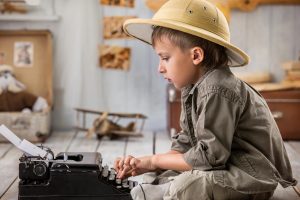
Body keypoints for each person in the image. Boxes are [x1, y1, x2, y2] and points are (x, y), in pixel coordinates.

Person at [114, 0, 297, 199]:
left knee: (190, 184)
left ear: (196, 55)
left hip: (250, 176)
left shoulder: (217, 89)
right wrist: (145, 163)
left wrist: (155, 160)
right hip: (224, 165)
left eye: (165, 58)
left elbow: (210, 158)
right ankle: (162, 188)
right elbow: (186, 143)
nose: (160, 68)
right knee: (158, 171)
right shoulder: (192, 87)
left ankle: (167, 191)